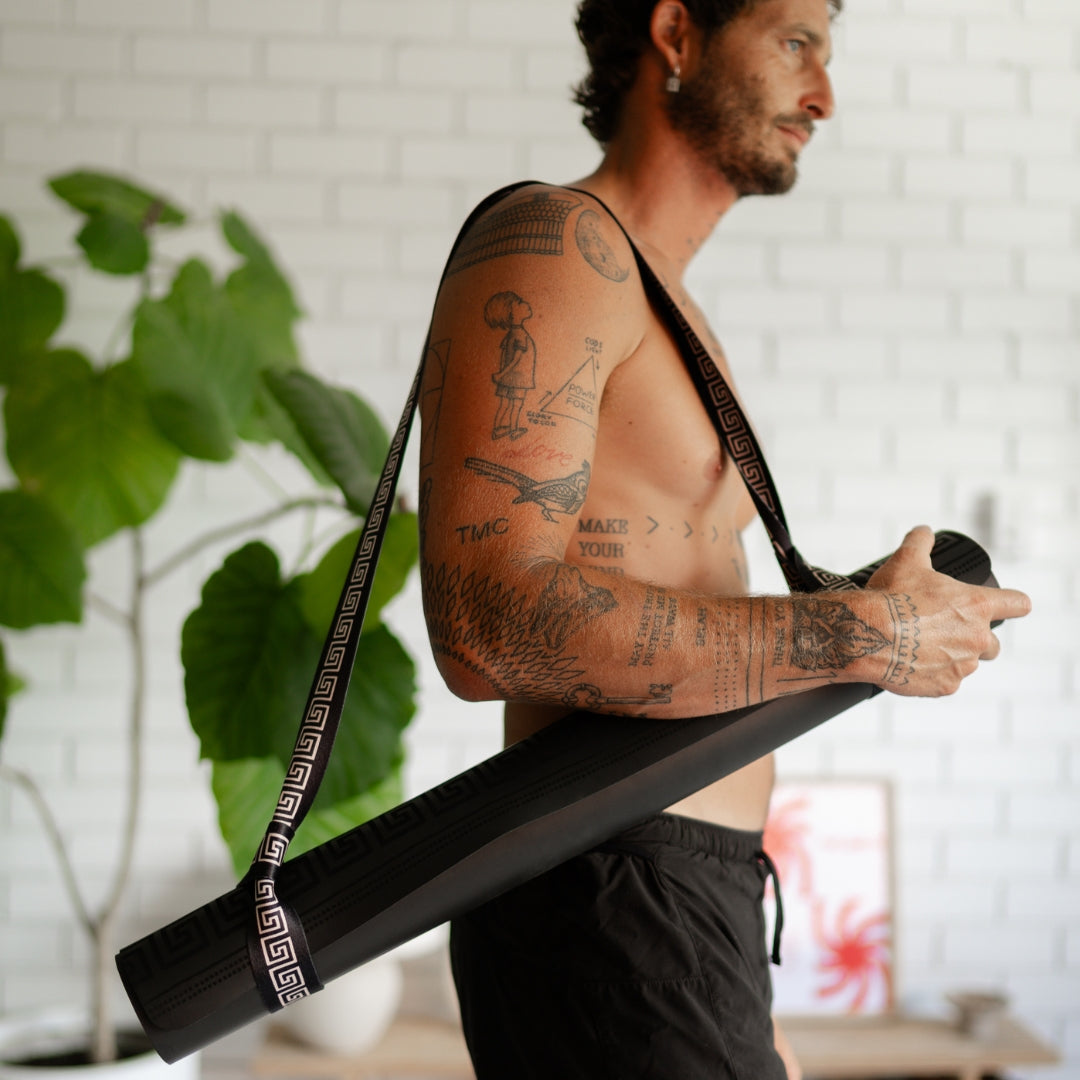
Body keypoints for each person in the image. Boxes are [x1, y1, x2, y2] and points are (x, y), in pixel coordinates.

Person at [416, 0, 1032, 1076]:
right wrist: (862, 637)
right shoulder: (558, 248)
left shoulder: (664, 297)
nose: (822, 96)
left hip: (686, 902)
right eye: (795, 43)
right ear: (678, 34)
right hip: (609, 898)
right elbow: (486, 624)